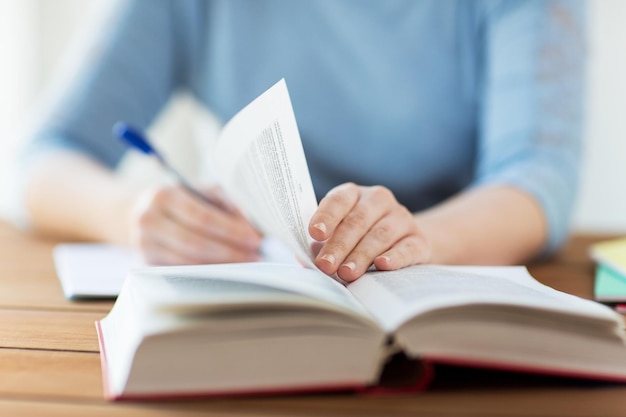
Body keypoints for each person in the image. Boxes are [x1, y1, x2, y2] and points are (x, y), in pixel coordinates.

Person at [17, 0, 586, 282]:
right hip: (262, 295)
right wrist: (133, 214)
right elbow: (40, 158)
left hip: (429, 288)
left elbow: (538, 176)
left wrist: (410, 239)